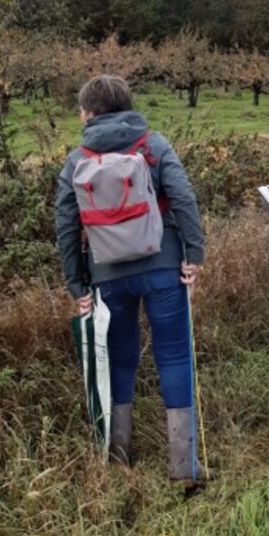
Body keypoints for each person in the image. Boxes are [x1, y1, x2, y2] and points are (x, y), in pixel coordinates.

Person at [55, 74, 208, 487]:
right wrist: (193, 254)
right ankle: (183, 468)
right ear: (126, 105)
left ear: (88, 112)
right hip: (162, 265)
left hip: (107, 278)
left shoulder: (77, 159)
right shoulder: (153, 145)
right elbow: (184, 197)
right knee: (174, 356)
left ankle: (119, 460)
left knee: (120, 361)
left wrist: (77, 286)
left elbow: (66, 225)